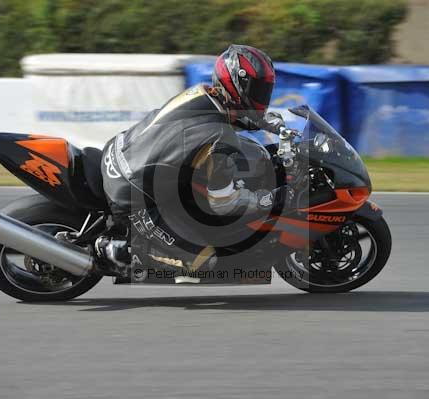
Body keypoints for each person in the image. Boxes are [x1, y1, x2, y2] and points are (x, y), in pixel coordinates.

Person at [99, 44, 293, 272]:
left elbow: (235, 116)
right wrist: (268, 199)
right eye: (258, 90)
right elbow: (223, 203)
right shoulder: (221, 137)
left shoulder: (203, 93)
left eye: (265, 90)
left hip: (119, 154)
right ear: (239, 86)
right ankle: (119, 250)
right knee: (203, 261)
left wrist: (268, 122)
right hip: (134, 195)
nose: (263, 97)